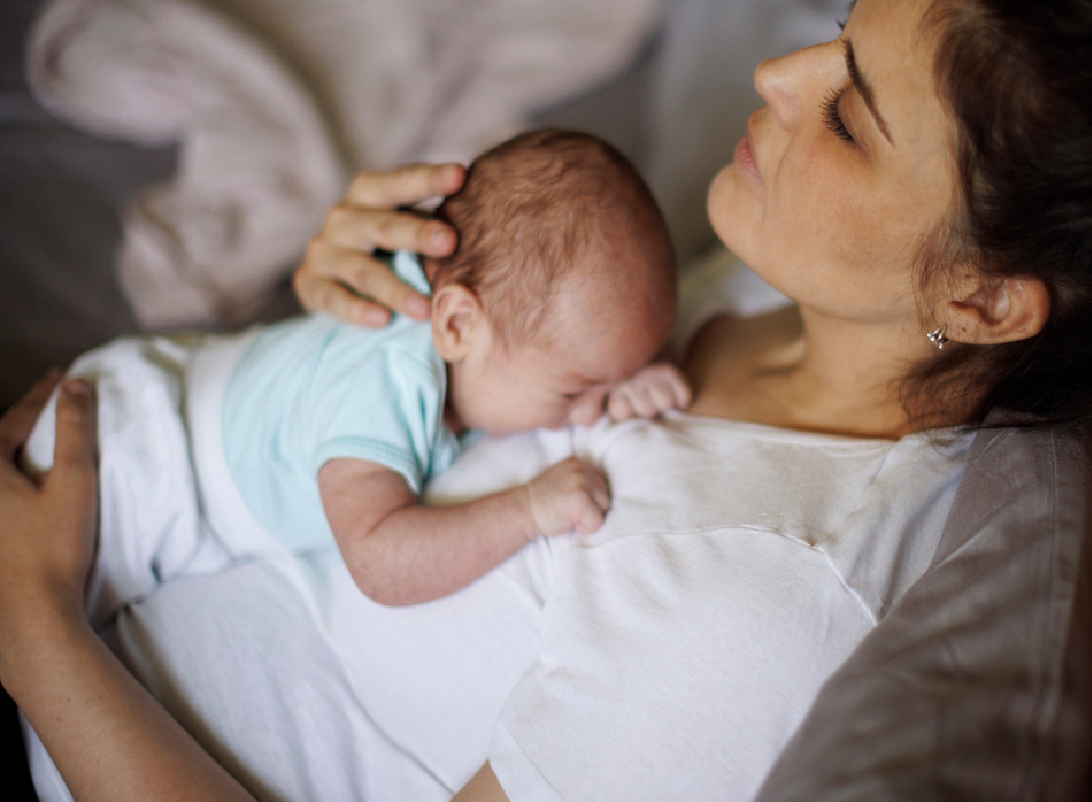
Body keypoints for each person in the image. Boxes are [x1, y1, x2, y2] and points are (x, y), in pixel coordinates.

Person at [0, 0, 1092, 802]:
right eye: (836, 30)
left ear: (986, 298)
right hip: (128, 563)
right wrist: (369, 297)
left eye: (847, 114)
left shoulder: (751, 613)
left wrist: (35, 627)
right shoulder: (760, 297)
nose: (776, 78)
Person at [24, 128, 689, 614]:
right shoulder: (387, 383)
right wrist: (526, 508)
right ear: (457, 325)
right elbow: (380, 561)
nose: (589, 411)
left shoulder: (484, 325)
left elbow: (574, 341)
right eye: (577, 389)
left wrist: (625, 377)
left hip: (161, 390)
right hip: (138, 472)